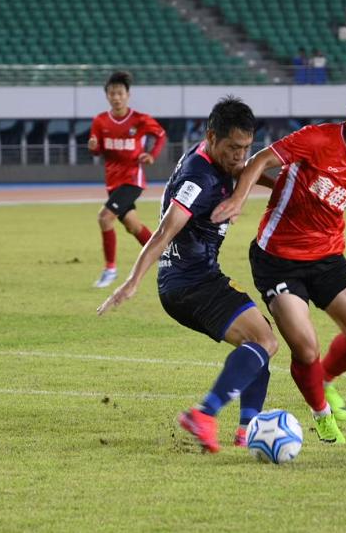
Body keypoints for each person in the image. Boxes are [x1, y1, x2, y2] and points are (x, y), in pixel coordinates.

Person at [211, 80, 346, 444]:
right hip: (278, 260)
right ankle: (321, 415)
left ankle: (324, 379)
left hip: (328, 257)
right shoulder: (316, 139)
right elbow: (262, 158)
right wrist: (238, 199)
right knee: (306, 347)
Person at [97, 96, 278, 453]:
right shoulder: (198, 177)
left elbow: (240, 169)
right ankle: (205, 414)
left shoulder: (213, 156)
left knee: (261, 337)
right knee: (264, 342)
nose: (239, 156)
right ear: (212, 137)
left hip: (193, 278)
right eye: (232, 148)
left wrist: (280, 184)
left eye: (245, 148)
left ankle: (246, 430)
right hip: (190, 282)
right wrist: (133, 282)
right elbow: (165, 231)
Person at [88, 71, 167, 288]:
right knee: (133, 226)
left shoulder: (139, 119)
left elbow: (160, 134)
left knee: (104, 218)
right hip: (112, 181)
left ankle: (110, 269)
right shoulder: (100, 121)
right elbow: (98, 150)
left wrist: (152, 154)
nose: (116, 97)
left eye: (120, 93)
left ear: (128, 95)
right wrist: (94, 148)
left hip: (132, 179)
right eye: (112, 93)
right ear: (107, 96)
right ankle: (166, 258)